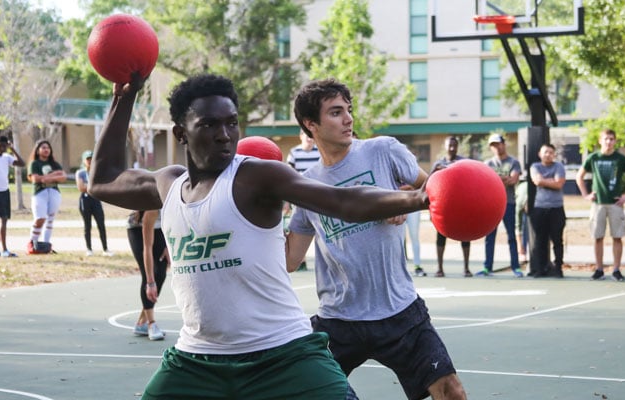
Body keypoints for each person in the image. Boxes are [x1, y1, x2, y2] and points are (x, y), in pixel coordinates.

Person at [89, 73, 429, 400]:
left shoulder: (256, 177)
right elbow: (102, 181)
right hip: (197, 359)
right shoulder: (168, 184)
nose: (225, 134)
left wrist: (418, 198)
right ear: (181, 133)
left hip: (282, 355)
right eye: (209, 125)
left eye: (232, 122)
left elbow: (342, 200)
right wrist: (125, 96)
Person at [285, 78, 466, 400]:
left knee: (450, 391)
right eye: (336, 113)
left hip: (399, 310)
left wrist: (401, 197)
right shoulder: (306, 186)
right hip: (338, 320)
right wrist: (258, 213)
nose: (349, 119)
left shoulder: (383, 150)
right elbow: (290, 259)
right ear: (311, 124)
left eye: (349, 110)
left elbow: (432, 193)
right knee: (305, 391)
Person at [575, 128, 625, 281]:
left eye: (611, 139)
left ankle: (616, 269)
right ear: (600, 141)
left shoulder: (620, 159)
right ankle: (599, 269)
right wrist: (585, 194)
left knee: (617, 237)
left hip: (615, 204)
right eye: (606, 139)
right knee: (598, 237)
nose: (609, 142)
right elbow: (579, 176)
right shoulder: (593, 158)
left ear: (615, 141)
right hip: (598, 203)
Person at [479, 133, 523, 277]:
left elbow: (513, 180)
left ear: (504, 144)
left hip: (508, 203)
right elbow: (485, 182)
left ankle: (516, 267)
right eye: (493, 145)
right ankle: (487, 267)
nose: (496, 148)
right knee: (489, 237)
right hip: (492, 205)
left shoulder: (513, 162)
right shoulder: (488, 164)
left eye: (498, 144)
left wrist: (495, 178)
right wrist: (503, 178)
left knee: (511, 236)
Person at [432, 136, 472, 278]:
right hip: (444, 208)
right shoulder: (438, 164)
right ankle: (439, 268)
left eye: (454, 145)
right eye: (450, 145)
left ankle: (466, 268)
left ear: (457, 146)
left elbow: (470, 182)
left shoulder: (463, 162)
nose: (452, 148)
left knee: (465, 236)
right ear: (445, 146)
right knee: (441, 237)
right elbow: (430, 184)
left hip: (461, 207)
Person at [126, 209, 169, 340]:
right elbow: (147, 247)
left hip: (161, 228)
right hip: (138, 228)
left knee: (161, 274)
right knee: (148, 274)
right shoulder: (152, 209)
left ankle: (141, 323)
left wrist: (169, 245)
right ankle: (151, 323)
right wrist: (150, 283)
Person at [285, 130, 322, 271]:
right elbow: (288, 176)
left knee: (320, 228)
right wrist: (287, 201)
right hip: (300, 196)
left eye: (311, 135)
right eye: (306, 135)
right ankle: (302, 260)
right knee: (300, 228)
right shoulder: (294, 153)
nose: (309, 138)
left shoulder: (319, 152)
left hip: (318, 195)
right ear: (301, 136)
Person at [528, 144, 566, 278]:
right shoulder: (535, 167)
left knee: (557, 240)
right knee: (540, 240)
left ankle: (558, 268)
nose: (548, 154)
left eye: (551, 152)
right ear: (540, 154)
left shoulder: (559, 166)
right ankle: (540, 269)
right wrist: (551, 181)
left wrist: (546, 181)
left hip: (556, 208)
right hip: (540, 208)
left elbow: (559, 184)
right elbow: (537, 181)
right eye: (545, 152)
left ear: (554, 154)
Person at [26, 139, 66, 251]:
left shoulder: (55, 164)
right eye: (43, 147)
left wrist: (45, 178)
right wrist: (53, 175)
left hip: (53, 192)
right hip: (40, 192)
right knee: (40, 218)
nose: (46, 150)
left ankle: (46, 245)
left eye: (48, 148)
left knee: (50, 219)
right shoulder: (35, 163)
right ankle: (32, 243)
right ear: (38, 150)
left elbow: (63, 177)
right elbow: (35, 178)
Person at [76, 150, 112, 257]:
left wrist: (91, 187)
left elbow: (102, 186)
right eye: (88, 159)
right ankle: (89, 248)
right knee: (87, 225)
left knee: (101, 224)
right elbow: (81, 187)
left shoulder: (97, 172)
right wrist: (93, 187)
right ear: (84, 160)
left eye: (92, 158)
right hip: (85, 200)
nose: (90, 161)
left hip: (96, 200)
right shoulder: (80, 173)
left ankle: (105, 248)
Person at [515, 178, 529, 265]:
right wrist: (520, 246)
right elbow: (517, 226)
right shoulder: (519, 204)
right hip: (521, 192)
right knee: (523, 226)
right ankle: (522, 252)